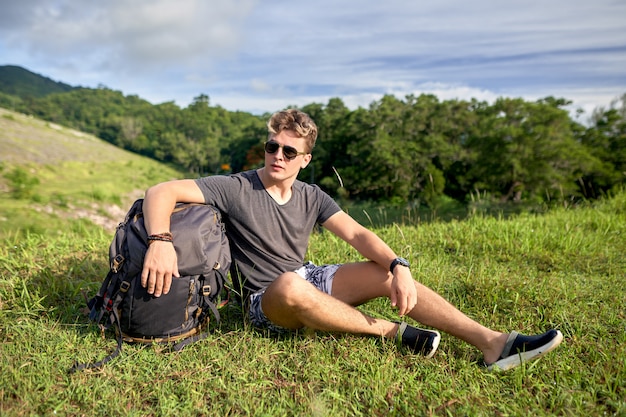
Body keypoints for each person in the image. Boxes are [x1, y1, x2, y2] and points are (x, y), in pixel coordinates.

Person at [140, 108, 563, 371]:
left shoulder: (311, 195)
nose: (277, 157)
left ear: (305, 160)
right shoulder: (236, 186)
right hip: (265, 299)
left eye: (289, 152)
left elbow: (358, 233)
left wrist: (399, 266)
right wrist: (160, 240)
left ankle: (494, 344)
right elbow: (161, 191)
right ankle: (389, 332)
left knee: (381, 273)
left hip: (308, 277)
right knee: (289, 285)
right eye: (272, 147)